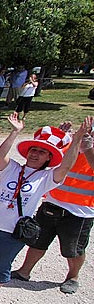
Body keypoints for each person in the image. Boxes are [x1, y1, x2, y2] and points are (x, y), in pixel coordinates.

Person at [0, 114, 89, 304]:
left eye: (41, 152)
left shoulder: (45, 178)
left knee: (3, 264)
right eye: (33, 150)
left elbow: (66, 166)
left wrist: (77, 139)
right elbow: (0, 156)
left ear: (48, 158)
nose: (35, 154)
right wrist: (15, 132)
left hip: (13, 231)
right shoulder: (12, 168)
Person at [12, 119, 94, 294]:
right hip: (52, 202)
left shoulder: (90, 150)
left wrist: (88, 148)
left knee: (73, 248)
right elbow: (49, 162)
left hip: (80, 210)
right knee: (37, 240)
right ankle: (24, 271)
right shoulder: (70, 145)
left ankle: (73, 277)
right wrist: (59, 138)